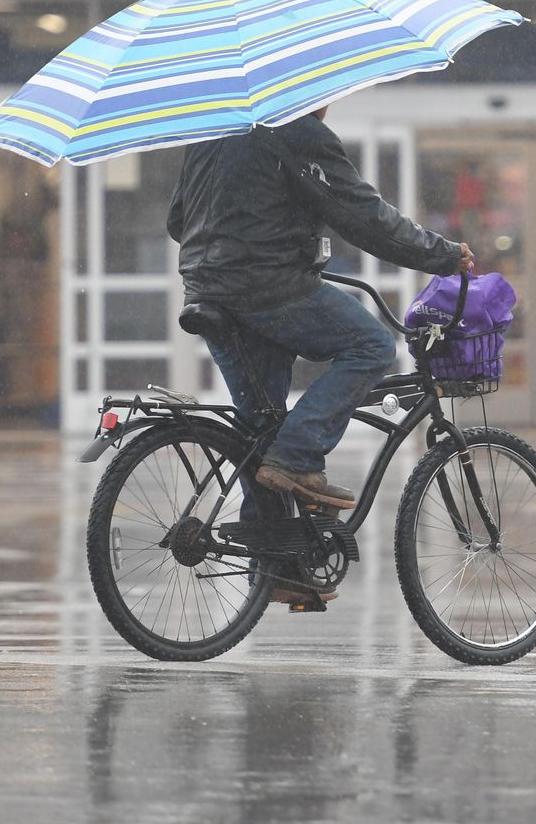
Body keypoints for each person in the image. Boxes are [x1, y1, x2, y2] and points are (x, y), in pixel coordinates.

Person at [167, 106, 473, 599]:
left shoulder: (212, 127)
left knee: (261, 431)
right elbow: (362, 216)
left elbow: (180, 219)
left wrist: (260, 222)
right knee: (372, 346)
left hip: (210, 292)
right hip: (267, 288)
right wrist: (439, 254)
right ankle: (299, 454)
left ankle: (279, 569)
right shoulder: (298, 132)